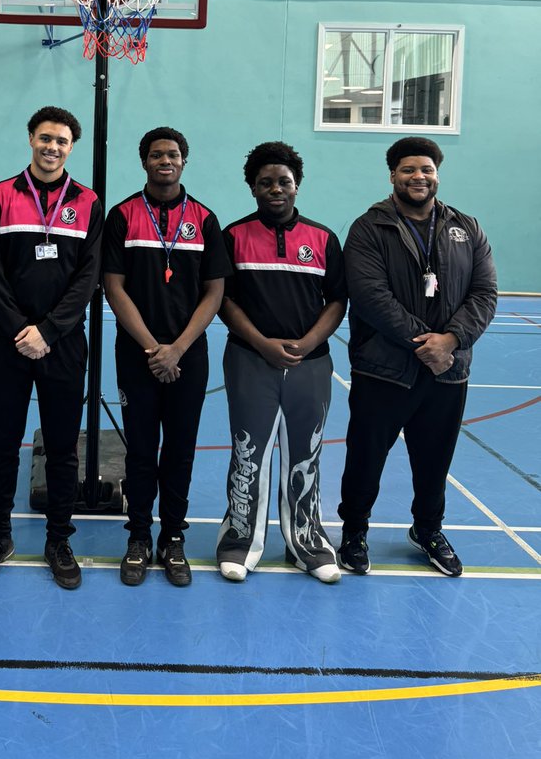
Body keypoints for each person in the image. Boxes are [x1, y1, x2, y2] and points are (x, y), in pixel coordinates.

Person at [337, 137, 497, 577]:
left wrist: (451, 340)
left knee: (434, 460)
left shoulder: (466, 227)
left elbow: (484, 293)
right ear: (393, 175)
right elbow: (370, 297)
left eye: (426, 169)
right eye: (408, 169)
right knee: (366, 456)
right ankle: (354, 531)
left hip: (448, 371)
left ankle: (428, 529)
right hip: (384, 369)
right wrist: (426, 345)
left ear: (437, 175)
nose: (418, 177)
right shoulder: (369, 228)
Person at [0, 106, 102, 590]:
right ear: (31, 138)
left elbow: (88, 276)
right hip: (7, 343)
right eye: (45, 138)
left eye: (62, 141)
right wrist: (20, 328)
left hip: (62, 344)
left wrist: (48, 331)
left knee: (63, 449)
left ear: (71, 147)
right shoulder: (2, 196)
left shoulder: (87, 202)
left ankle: (58, 539)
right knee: (3, 444)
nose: (52, 147)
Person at [104, 127, 231, 587]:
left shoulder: (205, 219)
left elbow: (214, 291)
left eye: (173, 154)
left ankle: (173, 537)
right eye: (156, 154)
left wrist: (177, 348)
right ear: (144, 162)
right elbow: (113, 287)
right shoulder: (122, 216)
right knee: (140, 451)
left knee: (179, 451)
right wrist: (152, 348)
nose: (165, 160)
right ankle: (139, 536)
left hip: (187, 356)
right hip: (137, 354)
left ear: (183, 161)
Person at [216, 141, 346, 585]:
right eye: (266, 182)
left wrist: (308, 343)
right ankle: (239, 541)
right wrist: (261, 343)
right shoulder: (233, 236)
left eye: (284, 181)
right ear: (252, 187)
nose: (276, 188)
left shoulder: (323, 238)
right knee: (248, 453)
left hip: (311, 364)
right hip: (250, 360)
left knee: (305, 455)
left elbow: (337, 300)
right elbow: (224, 300)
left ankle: (307, 542)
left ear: (297, 186)